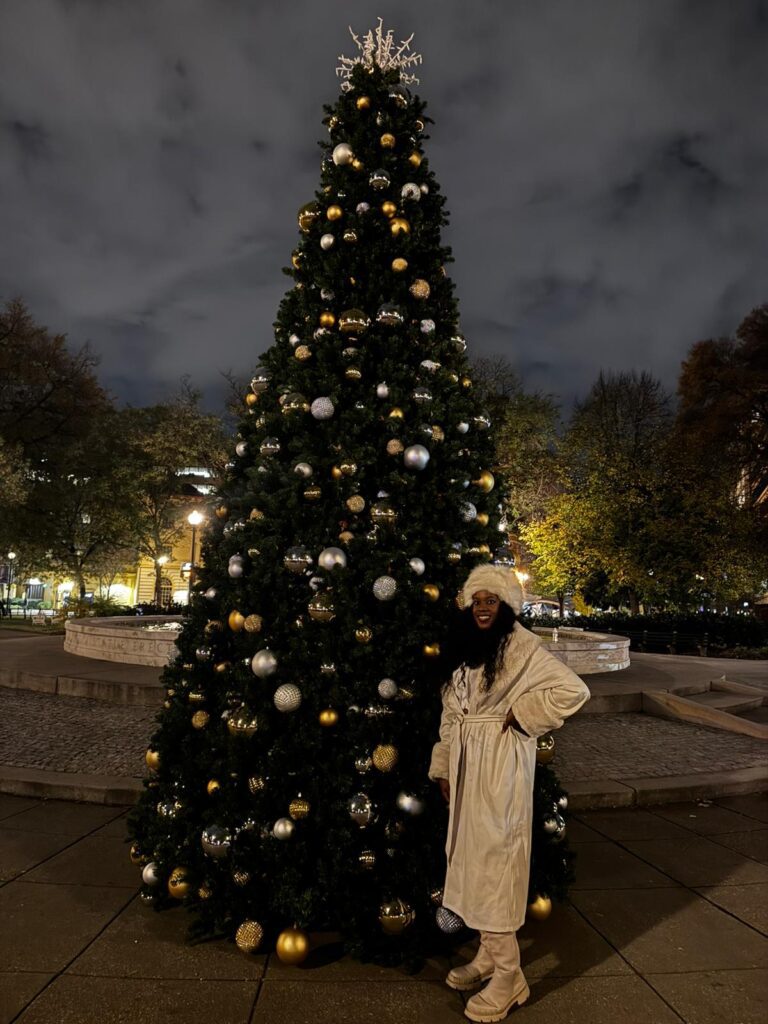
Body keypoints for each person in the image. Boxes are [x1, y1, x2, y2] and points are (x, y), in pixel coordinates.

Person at [429, 564, 590, 1022]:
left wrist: (522, 715)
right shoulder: (463, 651)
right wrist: (444, 765)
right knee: (467, 860)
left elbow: (572, 690)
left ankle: (509, 976)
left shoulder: (522, 648)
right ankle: (487, 955)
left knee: (495, 864)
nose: (482, 607)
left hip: (499, 771)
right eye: (476, 600)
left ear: (505, 607)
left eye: (491, 600)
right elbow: (450, 713)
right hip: (464, 769)